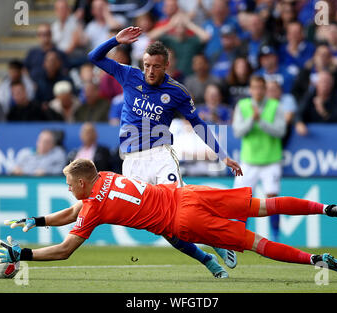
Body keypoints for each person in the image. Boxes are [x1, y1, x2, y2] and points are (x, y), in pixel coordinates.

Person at [0, 158, 337, 277]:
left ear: (80, 182)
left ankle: (316, 260)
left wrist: (23, 255)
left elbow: (64, 251)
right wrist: (41, 220)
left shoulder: (94, 206)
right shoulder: (106, 177)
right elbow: (73, 210)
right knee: (264, 205)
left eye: (67, 183)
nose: (66, 188)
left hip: (184, 223)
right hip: (190, 193)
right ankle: (327, 208)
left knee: (257, 243)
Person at [87, 26, 243, 278]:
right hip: (132, 163)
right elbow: (94, 57)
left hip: (160, 155)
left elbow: (198, 125)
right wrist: (115, 40)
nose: (150, 71)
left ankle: (217, 241)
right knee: (163, 225)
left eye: (156, 66)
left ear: (166, 66)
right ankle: (206, 260)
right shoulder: (129, 75)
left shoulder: (178, 92)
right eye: (147, 65)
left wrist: (222, 155)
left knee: (180, 209)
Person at [232, 75, 286, 242]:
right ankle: (238, 236)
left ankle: (276, 237)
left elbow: (280, 131)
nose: (257, 91)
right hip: (248, 161)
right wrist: (251, 120)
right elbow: (237, 132)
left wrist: (261, 121)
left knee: (272, 199)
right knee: (241, 201)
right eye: (254, 88)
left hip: (271, 160)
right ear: (250, 89)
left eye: (260, 88)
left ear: (265, 89)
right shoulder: (242, 105)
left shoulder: (275, 106)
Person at [295, 71, 337, 136]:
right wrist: (299, 123)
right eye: (322, 82)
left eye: (327, 82)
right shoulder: (309, 96)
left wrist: (322, 110)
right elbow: (299, 113)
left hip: (332, 134)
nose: (324, 85)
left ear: (332, 84)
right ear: (316, 84)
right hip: (311, 135)